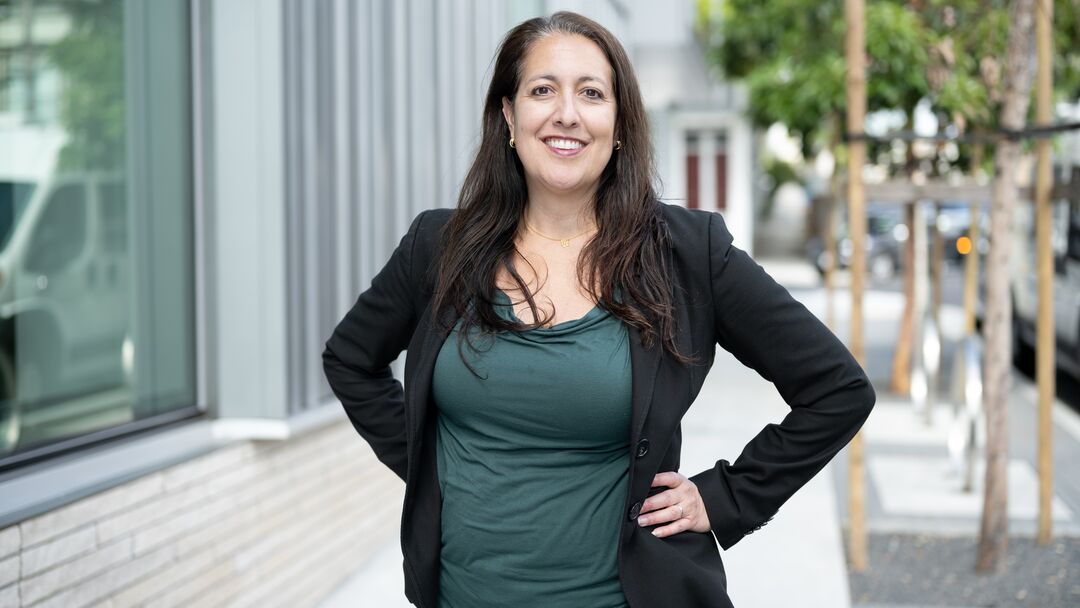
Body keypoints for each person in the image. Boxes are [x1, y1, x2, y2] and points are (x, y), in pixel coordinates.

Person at [323, 11, 875, 608]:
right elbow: (351, 359)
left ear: (618, 124)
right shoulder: (439, 247)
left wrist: (725, 498)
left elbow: (837, 389)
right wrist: (429, 468)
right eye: (543, 90)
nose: (567, 113)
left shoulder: (688, 253)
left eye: (591, 93)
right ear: (508, 116)